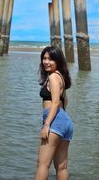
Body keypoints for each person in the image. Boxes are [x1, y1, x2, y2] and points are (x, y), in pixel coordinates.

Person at [35, 46, 73, 180]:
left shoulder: (52, 77)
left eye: (50, 59)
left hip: (54, 120)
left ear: (58, 61)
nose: (46, 62)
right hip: (65, 121)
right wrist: (61, 120)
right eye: (44, 58)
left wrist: (47, 125)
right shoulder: (60, 77)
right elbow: (65, 101)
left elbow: (56, 102)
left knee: (42, 164)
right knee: (61, 167)